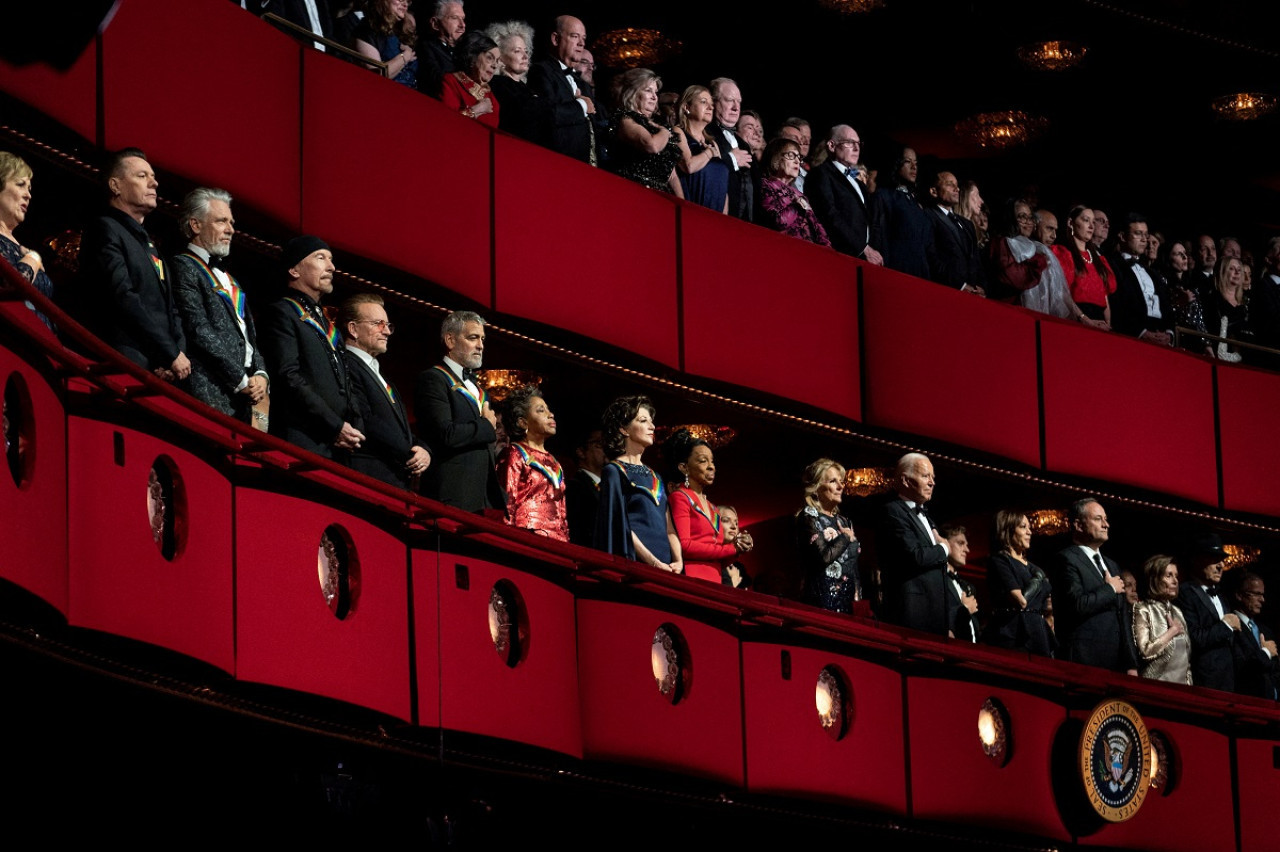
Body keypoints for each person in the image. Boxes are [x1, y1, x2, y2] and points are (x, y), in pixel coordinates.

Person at [79, 148, 190, 381]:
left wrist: (175, 354)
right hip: (124, 365)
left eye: (153, 176)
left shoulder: (150, 244)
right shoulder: (106, 229)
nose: (154, 183)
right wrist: (169, 353)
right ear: (115, 186)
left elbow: (172, 309)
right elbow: (122, 296)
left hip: (161, 370)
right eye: (142, 176)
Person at [170, 188, 269, 425]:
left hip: (244, 397)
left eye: (231, 222)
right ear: (195, 225)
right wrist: (241, 381)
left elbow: (250, 337)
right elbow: (198, 330)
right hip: (210, 391)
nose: (231, 229)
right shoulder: (183, 266)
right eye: (221, 221)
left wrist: (261, 374)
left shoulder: (231, 279)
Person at [259, 236, 363, 459]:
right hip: (302, 442)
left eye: (331, 259)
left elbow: (347, 382)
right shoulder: (282, 313)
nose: (331, 267)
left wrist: (355, 427)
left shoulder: (327, 324)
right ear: (294, 270)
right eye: (320, 257)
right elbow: (288, 377)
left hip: (338, 446)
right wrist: (334, 426)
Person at [414, 310, 506, 514]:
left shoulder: (479, 390)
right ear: (450, 340)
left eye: (482, 339)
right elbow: (445, 434)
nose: (480, 345)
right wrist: (486, 426)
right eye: (472, 338)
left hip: (483, 499)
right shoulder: (434, 379)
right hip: (452, 496)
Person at [339, 293, 430, 489]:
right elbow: (367, 420)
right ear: (353, 329)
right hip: (369, 478)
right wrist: (409, 454)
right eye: (378, 324)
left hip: (393, 479)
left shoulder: (382, 375)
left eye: (388, 325)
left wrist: (423, 449)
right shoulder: (345, 365)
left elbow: (400, 429)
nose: (387, 331)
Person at [594, 396, 682, 574]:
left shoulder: (655, 476)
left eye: (652, 421)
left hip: (667, 568)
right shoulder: (615, 471)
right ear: (624, 429)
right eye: (643, 420)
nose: (652, 426)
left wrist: (678, 561)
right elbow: (619, 527)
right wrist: (654, 563)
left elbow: (669, 529)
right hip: (637, 566)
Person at [1049, 498, 1137, 674]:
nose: (1106, 525)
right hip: (1083, 660)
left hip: (1116, 664)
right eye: (1098, 519)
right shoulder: (1066, 559)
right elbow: (1075, 605)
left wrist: (1131, 663)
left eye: (1106, 519)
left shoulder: (1111, 565)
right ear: (1079, 525)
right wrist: (1109, 589)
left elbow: (1123, 617)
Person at [875, 453, 950, 634]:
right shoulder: (893, 511)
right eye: (925, 476)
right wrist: (944, 548)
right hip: (911, 613)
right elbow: (915, 556)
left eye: (933, 477)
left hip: (935, 614)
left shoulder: (927, 517)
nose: (932, 482)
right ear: (906, 480)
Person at [665, 429, 751, 583]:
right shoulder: (680, 497)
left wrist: (739, 548)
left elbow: (719, 557)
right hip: (691, 576)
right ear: (684, 467)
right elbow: (685, 546)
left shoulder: (713, 508)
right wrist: (732, 548)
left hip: (715, 578)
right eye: (703, 461)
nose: (712, 466)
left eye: (712, 461)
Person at [496, 384, 568, 541]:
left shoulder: (554, 462)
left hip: (559, 545)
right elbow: (507, 506)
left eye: (548, 409)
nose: (551, 415)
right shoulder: (514, 454)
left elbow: (562, 513)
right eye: (541, 410)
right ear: (522, 422)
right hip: (526, 540)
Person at [806, 125, 884, 265]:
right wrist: (862, 248)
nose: (856, 148)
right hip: (839, 258)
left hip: (868, 260)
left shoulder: (859, 184)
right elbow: (829, 215)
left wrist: (873, 248)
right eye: (850, 143)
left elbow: (872, 219)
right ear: (831, 145)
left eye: (858, 143)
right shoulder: (820, 174)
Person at [794, 458, 861, 614]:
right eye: (832, 481)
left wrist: (859, 601)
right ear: (816, 489)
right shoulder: (809, 516)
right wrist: (844, 537)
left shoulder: (845, 521)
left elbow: (853, 567)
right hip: (821, 602)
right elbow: (823, 557)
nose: (840, 486)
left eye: (841, 481)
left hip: (848, 602)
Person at [984, 510, 1056, 657]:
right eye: (1023, 527)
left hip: (1038, 633)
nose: (1030, 532)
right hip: (1015, 634)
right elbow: (1021, 600)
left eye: (1029, 527)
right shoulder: (1000, 561)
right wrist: (1038, 578)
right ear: (1008, 531)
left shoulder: (1033, 567)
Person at [1176, 533, 1242, 692]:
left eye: (1222, 560)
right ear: (1197, 561)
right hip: (1203, 683)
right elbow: (1194, 638)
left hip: (1228, 683)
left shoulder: (1222, 596)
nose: (1221, 566)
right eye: (1214, 559)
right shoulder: (1186, 593)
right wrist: (1226, 626)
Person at [527, 15, 594, 164]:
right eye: (575, 36)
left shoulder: (581, 82)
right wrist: (582, 105)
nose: (582, 43)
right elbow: (547, 115)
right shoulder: (541, 71)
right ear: (555, 39)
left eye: (583, 38)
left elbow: (596, 116)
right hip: (555, 163)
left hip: (585, 166)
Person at [0, 152, 55, 331]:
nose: (28, 195)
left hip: (42, 344)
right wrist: (34, 258)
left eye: (29, 188)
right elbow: (12, 286)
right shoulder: (29, 254)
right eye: (20, 185)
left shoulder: (19, 246)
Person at [608, 68, 683, 196]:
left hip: (661, 196)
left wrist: (683, 204)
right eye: (648, 90)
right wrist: (665, 132)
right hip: (633, 192)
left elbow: (672, 175)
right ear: (632, 93)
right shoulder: (626, 119)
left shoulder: (659, 126)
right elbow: (652, 145)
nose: (654, 97)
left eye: (656, 92)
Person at [1108, 213, 1172, 345]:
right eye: (1138, 233)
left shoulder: (1153, 274)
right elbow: (1116, 304)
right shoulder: (1113, 265)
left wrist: (1169, 334)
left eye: (1146, 234)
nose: (1145, 240)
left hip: (1162, 340)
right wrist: (1140, 333)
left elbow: (1166, 306)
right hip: (1131, 339)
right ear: (1122, 236)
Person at [869, 145, 930, 279]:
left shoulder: (916, 202)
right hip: (895, 272)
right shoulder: (883, 196)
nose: (914, 167)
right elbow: (877, 236)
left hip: (921, 274)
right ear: (896, 164)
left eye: (916, 163)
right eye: (908, 162)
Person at [757, 137, 830, 246]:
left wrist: (827, 250)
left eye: (798, 157)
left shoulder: (800, 194)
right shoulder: (766, 185)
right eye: (791, 155)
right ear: (776, 157)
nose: (797, 161)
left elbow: (817, 228)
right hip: (781, 248)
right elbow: (777, 222)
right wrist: (798, 207)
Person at [1131, 555, 1192, 684]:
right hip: (1155, 686)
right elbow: (1145, 652)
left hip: (1182, 690)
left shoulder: (1177, 612)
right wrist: (1172, 632)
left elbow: (1187, 661)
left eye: (1176, 576)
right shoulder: (1143, 609)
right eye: (1169, 576)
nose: (1175, 581)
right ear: (1155, 579)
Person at [485, 21, 547, 146]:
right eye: (517, 51)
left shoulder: (527, 87)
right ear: (500, 58)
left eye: (526, 51)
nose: (525, 56)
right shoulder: (498, 84)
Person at [1051, 206, 1115, 327]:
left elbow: (1104, 296)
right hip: (1075, 320)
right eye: (1086, 220)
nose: (1091, 226)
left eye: (1093, 222)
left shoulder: (1099, 260)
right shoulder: (1064, 254)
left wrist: (1108, 324)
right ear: (1071, 223)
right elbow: (1063, 293)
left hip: (1099, 322)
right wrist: (1084, 319)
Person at [923, 171, 984, 293]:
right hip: (948, 291)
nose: (956, 189)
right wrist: (960, 286)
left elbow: (976, 260)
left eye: (957, 185)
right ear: (933, 191)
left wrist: (981, 286)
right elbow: (931, 256)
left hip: (974, 293)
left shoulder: (967, 224)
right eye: (950, 184)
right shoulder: (927, 216)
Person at [674, 85, 728, 213]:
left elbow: (723, 185)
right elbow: (688, 166)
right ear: (687, 107)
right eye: (704, 102)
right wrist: (709, 153)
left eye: (711, 104)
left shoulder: (712, 142)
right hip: (691, 211)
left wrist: (725, 219)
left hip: (716, 215)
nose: (711, 107)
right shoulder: (678, 132)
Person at [985, 198, 1049, 303]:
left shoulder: (1033, 245)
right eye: (1022, 217)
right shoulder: (1001, 243)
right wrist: (1039, 261)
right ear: (1011, 218)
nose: (1028, 222)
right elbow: (1012, 276)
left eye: (1030, 217)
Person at [707, 78, 752, 221]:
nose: (736, 107)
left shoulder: (743, 144)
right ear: (713, 102)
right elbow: (701, 169)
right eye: (729, 100)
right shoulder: (705, 132)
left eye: (738, 101)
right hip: (717, 217)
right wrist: (732, 159)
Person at [1230, 572, 1279, 700]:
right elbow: (1243, 670)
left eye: (1262, 595)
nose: (1262, 600)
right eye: (1257, 594)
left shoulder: (1265, 631)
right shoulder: (1231, 627)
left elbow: (1275, 669)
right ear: (1239, 595)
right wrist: (1266, 652)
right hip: (1247, 703)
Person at [440, 32, 500, 128]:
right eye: (489, 58)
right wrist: (476, 110)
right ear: (472, 57)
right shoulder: (451, 82)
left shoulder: (493, 99)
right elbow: (446, 122)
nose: (495, 65)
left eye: (497, 61)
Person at [353, 0, 417, 88]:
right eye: (401, 0)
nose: (405, 4)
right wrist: (405, 56)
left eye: (407, 1)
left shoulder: (401, 30)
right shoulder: (366, 31)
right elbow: (375, 76)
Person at [1202, 255, 1250, 363]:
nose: (1237, 273)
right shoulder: (1213, 300)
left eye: (1239, 270)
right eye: (1232, 269)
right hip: (1219, 358)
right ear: (1222, 272)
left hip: (1247, 358)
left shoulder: (1247, 303)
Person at [938, 523, 980, 642]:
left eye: (966, 544)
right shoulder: (937, 581)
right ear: (945, 543)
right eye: (961, 543)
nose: (967, 550)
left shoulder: (968, 587)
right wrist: (965, 608)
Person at [416, 0, 465, 98]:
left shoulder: (465, 50)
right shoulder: (426, 48)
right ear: (435, 24)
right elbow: (438, 80)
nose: (462, 25)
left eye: (463, 19)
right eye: (454, 18)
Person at [565, 427, 604, 547]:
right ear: (581, 452)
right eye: (600, 444)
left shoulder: (614, 487)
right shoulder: (573, 487)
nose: (608, 448)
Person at [718, 505, 752, 589]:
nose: (734, 526)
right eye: (726, 520)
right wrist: (732, 583)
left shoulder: (739, 568)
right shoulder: (706, 557)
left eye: (736, 523)